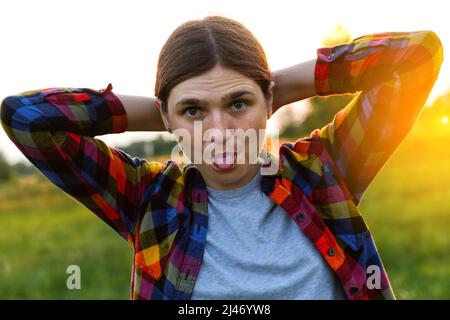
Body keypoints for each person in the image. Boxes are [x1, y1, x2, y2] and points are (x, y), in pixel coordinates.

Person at [0, 15, 443, 300]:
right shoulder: (147, 198)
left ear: (267, 99)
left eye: (238, 103)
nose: (219, 133)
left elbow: (417, 55)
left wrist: (279, 86)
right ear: (167, 116)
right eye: (194, 111)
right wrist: (167, 115)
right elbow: (27, 118)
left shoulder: (325, 169)